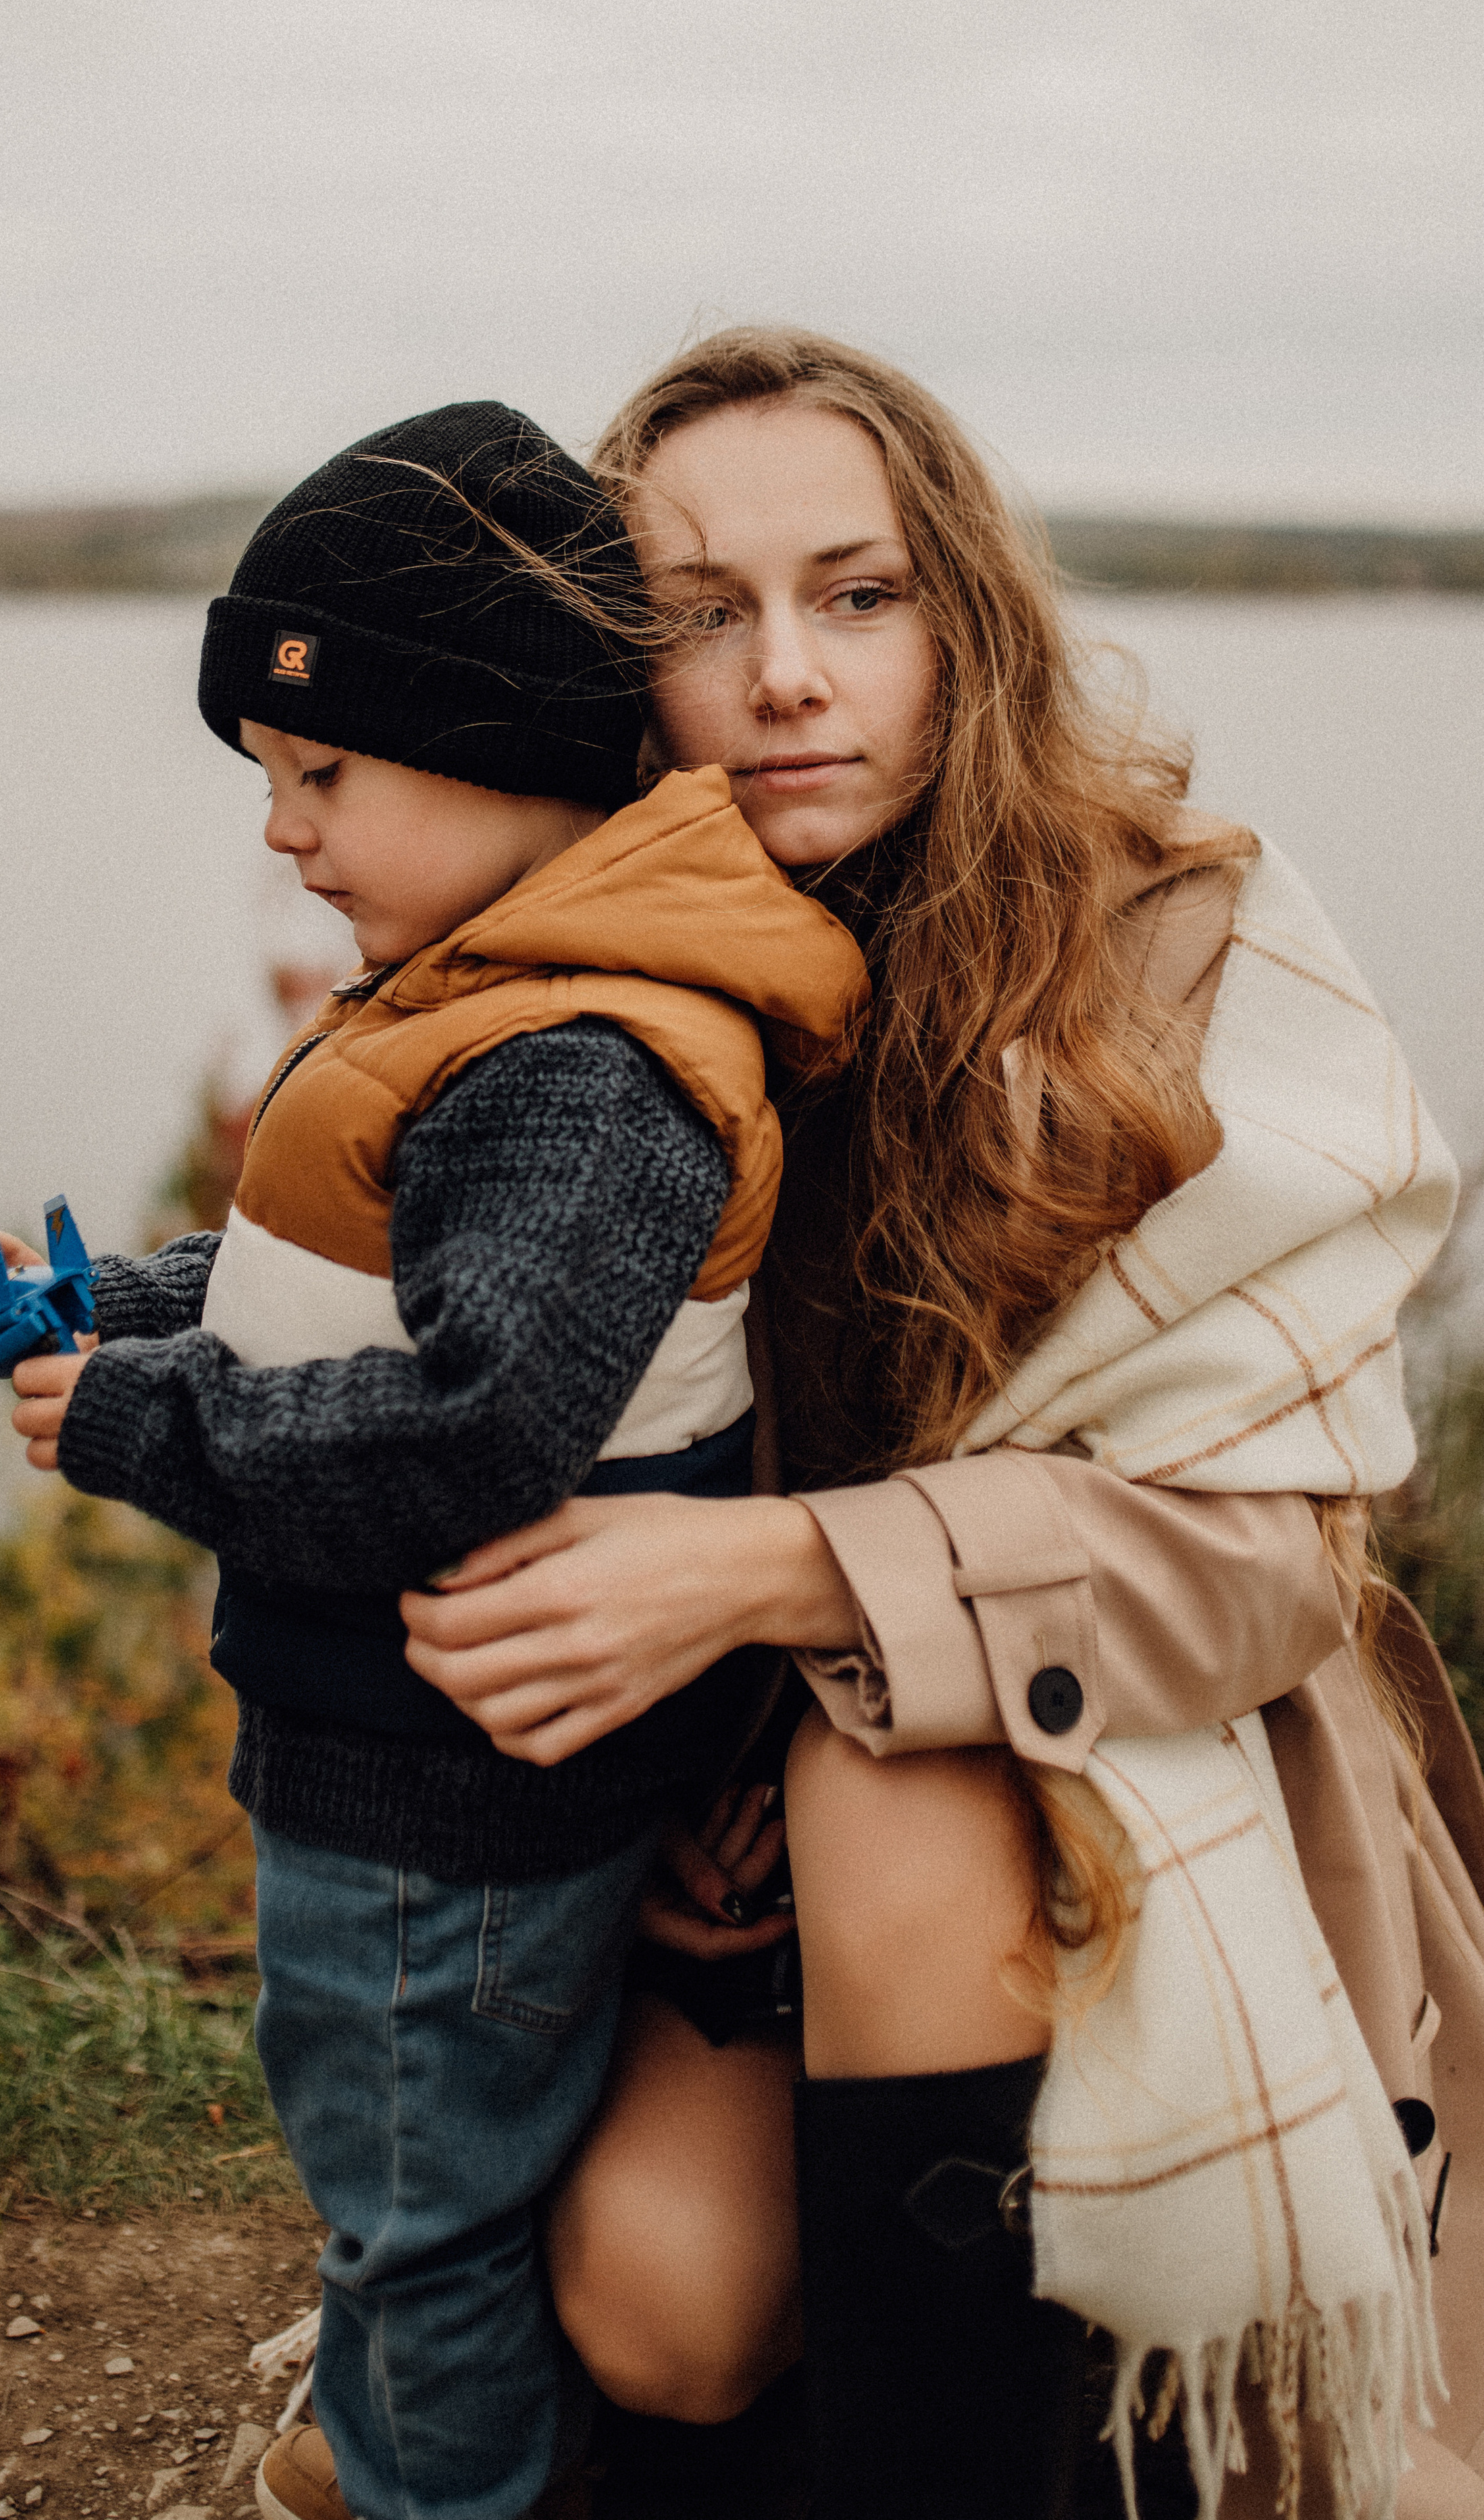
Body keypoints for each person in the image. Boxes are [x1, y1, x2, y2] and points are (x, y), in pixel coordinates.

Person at [399, 334, 1484, 2519]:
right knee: (664, 2306)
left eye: (858, 594)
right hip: (747, 1792)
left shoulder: (1183, 948)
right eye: (704, 612)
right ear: (625, 663)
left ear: (960, 618)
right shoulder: (587, 1007)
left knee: (881, 1790)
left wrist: (780, 1581)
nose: (789, 673)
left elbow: (1272, 1571)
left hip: (1178, 1766)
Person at [0, 398, 868, 2520]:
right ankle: (419, 2441)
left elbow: (473, 1424)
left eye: (322, 776)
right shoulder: (499, 997)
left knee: (416, 2200)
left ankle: (436, 2481)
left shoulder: (583, 1068)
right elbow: (353, 1283)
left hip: (450, 1804)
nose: (284, 835)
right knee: (420, 2177)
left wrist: (140, 1419)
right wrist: (121, 1309)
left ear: (514, 749)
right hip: (429, 1772)